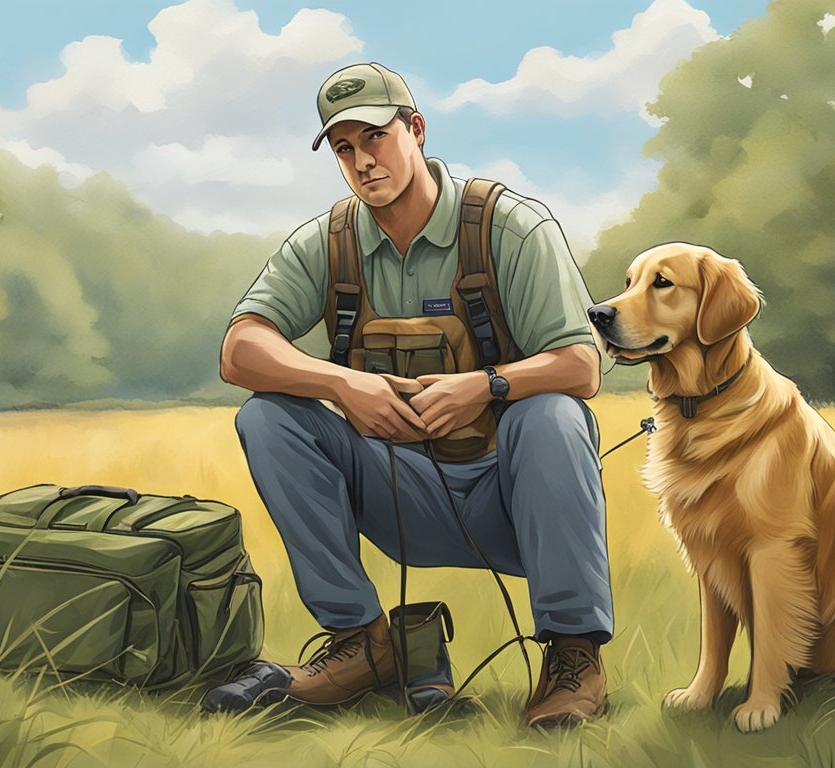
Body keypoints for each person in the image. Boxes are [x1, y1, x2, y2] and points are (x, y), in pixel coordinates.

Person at [218, 61, 612, 728]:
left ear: (416, 129)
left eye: (374, 137)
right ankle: (362, 643)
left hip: (515, 502)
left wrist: (485, 386)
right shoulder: (331, 240)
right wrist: (342, 382)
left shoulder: (511, 228)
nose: (362, 161)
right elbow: (239, 348)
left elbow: (583, 365)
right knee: (269, 418)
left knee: (551, 413)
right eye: (343, 148)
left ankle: (574, 653)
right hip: (396, 492)